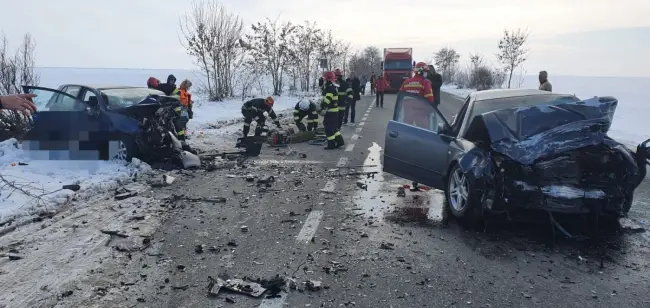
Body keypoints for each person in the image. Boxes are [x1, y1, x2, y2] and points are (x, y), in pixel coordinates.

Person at [321, 71, 344, 149]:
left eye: (324, 78)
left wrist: (322, 106)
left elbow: (328, 99)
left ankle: (331, 145)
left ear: (328, 79)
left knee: (328, 129)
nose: (323, 79)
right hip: (334, 111)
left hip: (331, 112)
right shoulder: (332, 86)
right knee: (334, 128)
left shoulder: (330, 87)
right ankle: (340, 141)